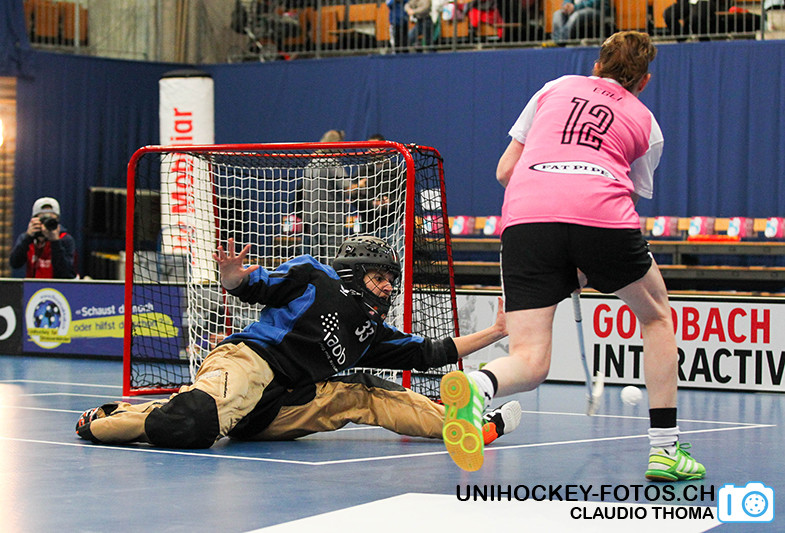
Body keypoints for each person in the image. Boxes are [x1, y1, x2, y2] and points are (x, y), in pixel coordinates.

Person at [440, 32, 706, 481]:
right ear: (644, 81)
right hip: (599, 215)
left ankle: (478, 385)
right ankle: (665, 450)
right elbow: (625, 196)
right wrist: (583, 259)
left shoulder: (554, 88)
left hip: (526, 219)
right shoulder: (646, 122)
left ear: (597, 65)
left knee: (529, 360)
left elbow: (505, 171)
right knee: (657, 316)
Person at [75, 235, 520, 449]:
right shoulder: (315, 277)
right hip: (250, 363)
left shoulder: (371, 333)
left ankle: (467, 427)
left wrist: (496, 332)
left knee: (364, 392)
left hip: (287, 404)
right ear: (354, 273)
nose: (388, 287)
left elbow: (429, 353)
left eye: (392, 280)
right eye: (380, 277)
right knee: (192, 423)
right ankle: (106, 420)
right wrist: (232, 278)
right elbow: (258, 287)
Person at [300, 129, 351, 262]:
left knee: (317, 260)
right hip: (332, 221)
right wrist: (362, 184)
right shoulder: (332, 163)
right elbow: (348, 188)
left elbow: (305, 194)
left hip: (313, 220)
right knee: (333, 259)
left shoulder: (310, 165)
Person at [9, 197, 77, 279]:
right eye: (43, 219)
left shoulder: (65, 239)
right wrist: (28, 237)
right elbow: (15, 264)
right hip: (32, 286)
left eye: (50, 220)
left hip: (56, 286)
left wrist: (55, 242)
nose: (45, 224)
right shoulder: (27, 239)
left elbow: (66, 274)